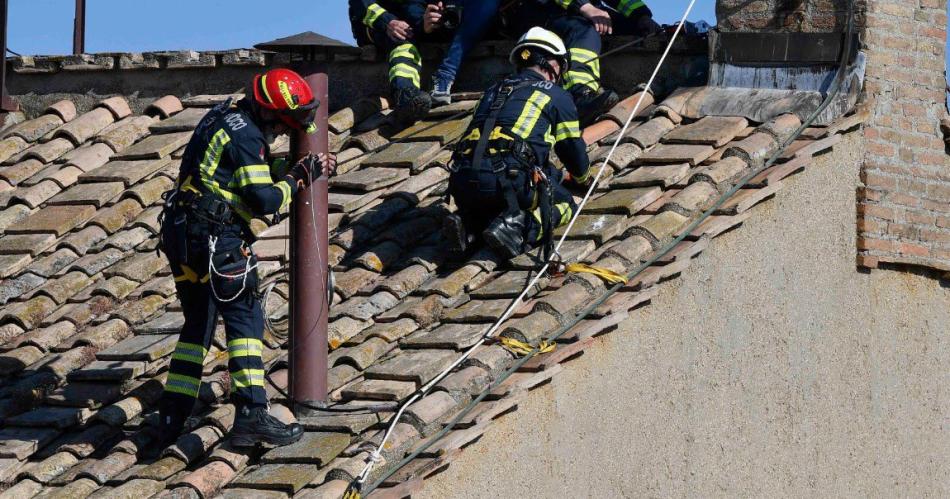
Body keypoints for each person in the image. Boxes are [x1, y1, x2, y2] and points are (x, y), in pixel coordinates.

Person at [149, 68, 336, 455]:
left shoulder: (223, 115)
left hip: (184, 235)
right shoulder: (249, 136)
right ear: (270, 113)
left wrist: (289, 172)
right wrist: (300, 176)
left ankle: (172, 414)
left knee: (198, 323)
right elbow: (264, 200)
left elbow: (243, 177)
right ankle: (252, 412)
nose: (286, 133)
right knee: (245, 320)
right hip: (220, 240)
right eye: (285, 125)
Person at [444, 27, 591, 260]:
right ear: (551, 62)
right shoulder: (557, 94)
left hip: (461, 181)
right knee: (565, 204)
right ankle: (518, 230)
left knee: (493, 196)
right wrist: (583, 179)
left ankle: (468, 225)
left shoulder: (492, 91)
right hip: (507, 183)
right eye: (561, 66)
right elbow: (571, 148)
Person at [349, 0, 433, 127]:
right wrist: (387, 21)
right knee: (403, 44)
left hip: (408, 25)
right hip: (373, 26)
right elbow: (361, 4)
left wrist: (425, 23)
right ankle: (405, 98)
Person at [425, 0, 503, 106]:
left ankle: (445, 73)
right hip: (452, 27)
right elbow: (412, 7)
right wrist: (422, 20)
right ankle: (445, 75)